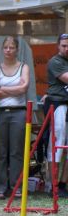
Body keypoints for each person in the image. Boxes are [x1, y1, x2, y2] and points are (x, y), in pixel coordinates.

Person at [0, 36, 29, 199]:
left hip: (19, 112)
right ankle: (0, 187)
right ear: (2, 49)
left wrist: (4, 89)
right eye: (6, 47)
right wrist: (16, 87)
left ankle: (16, 186)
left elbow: (24, 88)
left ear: (17, 50)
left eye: (11, 47)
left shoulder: (24, 67)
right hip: (0, 112)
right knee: (0, 152)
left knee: (16, 151)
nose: (8, 50)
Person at [43, 33, 68, 197]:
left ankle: (63, 184)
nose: (67, 48)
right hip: (58, 104)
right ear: (58, 46)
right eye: (64, 45)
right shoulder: (55, 61)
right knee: (57, 142)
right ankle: (52, 184)